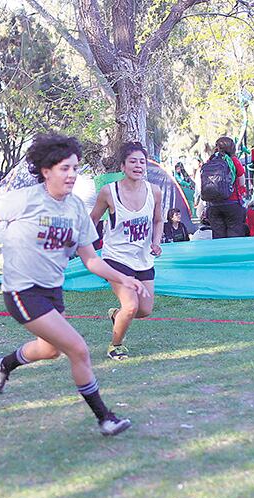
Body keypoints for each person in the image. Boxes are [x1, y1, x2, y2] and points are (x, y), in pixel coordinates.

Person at [0, 133, 145, 436]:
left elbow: (92, 260)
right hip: (21, 290)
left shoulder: (77, 210)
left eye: (75, 168)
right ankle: (104, 417)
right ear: (46, 170)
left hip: (52, 291)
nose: (71, 175)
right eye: (64, 168)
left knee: (51, 350)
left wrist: (125, 278)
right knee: (79, 349)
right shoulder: (25, 200)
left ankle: (4, 364)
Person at [90, 142, 162, 361]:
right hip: (116, 258)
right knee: (130, 307)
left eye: (142, 162)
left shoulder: (155, 191)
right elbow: (92, 219)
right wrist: (84, 246)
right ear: (123, 166)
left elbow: (158, 220)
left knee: (144, 310)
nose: (138, 166)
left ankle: (116, 314)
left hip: (143, 258)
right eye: (133, 161)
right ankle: (115, 345)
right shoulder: (108, 192)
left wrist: (156, 242)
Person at [201, 136, 247, 238]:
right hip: (232, 203)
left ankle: (220, 253)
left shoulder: (211, 160)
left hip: (213, 205)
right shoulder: (233, 161)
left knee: (218, 237)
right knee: (234, 235)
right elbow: (241, 181)